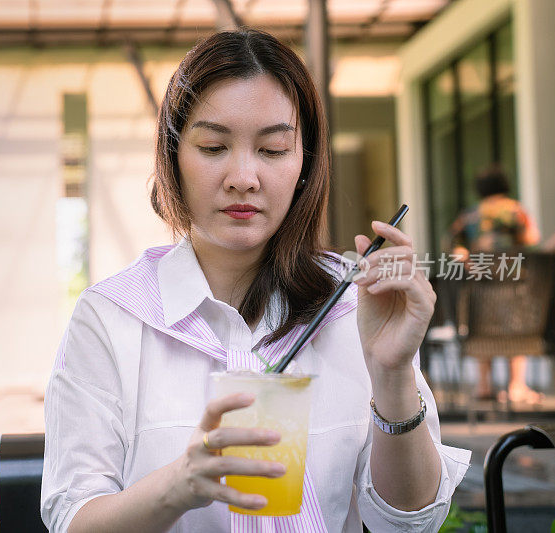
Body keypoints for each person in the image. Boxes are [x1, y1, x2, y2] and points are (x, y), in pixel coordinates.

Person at [42, 29, 470, 532]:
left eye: (271, 150)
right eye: (214, 146)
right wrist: (177, 485)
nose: (243, 177)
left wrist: (392, 374)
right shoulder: (111, 317)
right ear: (173, 158)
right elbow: (73, 518)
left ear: (305, 164)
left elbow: (409, 520)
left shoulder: (353, 305)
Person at [446, 164, 541, 404]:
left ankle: (484, 385)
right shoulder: (515, 211)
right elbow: (532, 238)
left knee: (481, 326)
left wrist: (467, 258)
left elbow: (451, 243)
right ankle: (516, 385)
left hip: (481, 287)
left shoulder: (470, 214)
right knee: (517, 324)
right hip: (513, 285)